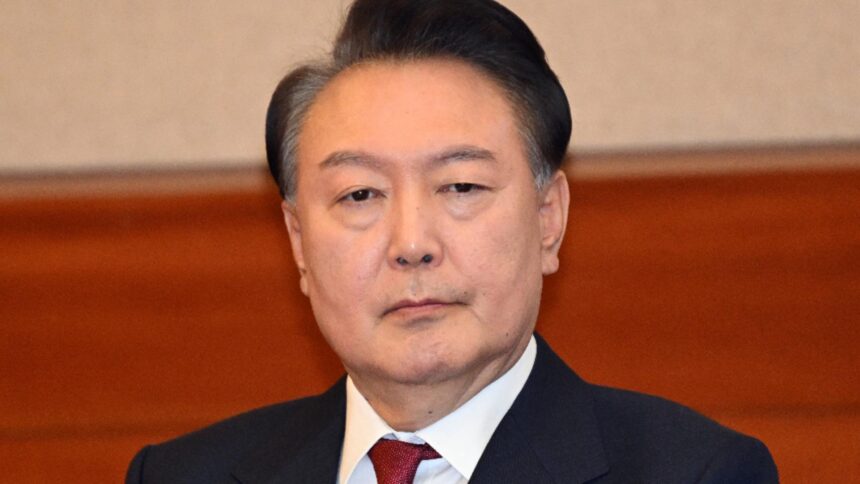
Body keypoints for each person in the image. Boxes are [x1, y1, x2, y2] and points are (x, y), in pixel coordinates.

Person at [126, 0, 779, 482]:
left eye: (461, 186)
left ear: (548, 218)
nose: (412, 243)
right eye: (360, 195)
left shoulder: (696, 473)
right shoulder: (179, 476)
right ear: (298, 241)